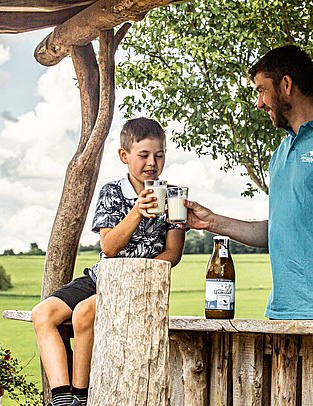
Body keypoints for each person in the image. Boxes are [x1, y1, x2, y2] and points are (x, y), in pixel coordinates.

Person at [186, 45, 313, 320]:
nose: (258, 103)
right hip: (282, 315)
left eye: (261, 90)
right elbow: (278, 232)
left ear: (286, 85)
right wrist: (210, 222)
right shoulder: (280, 155)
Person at [31, 117, 186, 406]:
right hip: (101, 276)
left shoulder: (173, 196)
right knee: (42, 314)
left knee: (83, 314)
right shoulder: (112, 192)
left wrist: (140, 274)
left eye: (159, 155)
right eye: (143, 155)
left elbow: (173, 253)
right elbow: (109, 247)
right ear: (124, 156)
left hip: (138, 286)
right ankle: (62, 397)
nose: (152, 162)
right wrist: (137, 211)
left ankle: (80, 395)